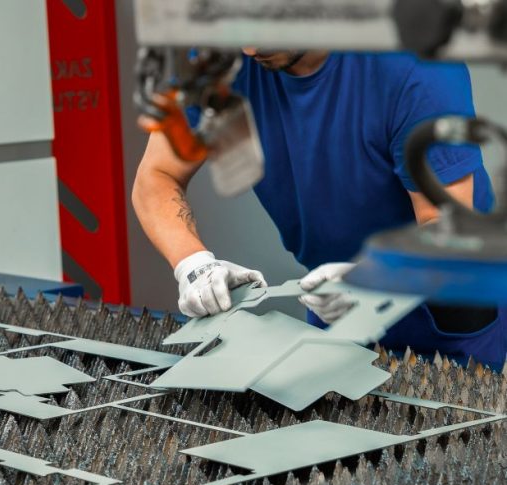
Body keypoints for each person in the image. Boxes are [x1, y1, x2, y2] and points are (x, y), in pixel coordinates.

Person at [132, 49, 506, 368]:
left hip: (444, 311)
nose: (249, 50)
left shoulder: (416, 64)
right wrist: (193, 264)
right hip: (334, 304)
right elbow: (158, 176)